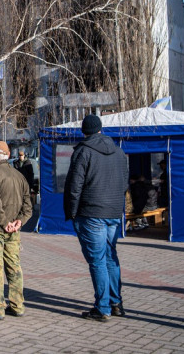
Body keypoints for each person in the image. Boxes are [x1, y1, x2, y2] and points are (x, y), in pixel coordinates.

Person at [63, 114, 129, 321]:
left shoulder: (83, 151)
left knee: (98, 260)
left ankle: (102, 307)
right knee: (110, 257)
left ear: (84, 131)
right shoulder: (119, 153)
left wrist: (72, 212)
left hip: (91, 212)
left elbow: (75, 185)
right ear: (100, 129)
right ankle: (115, 302)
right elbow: (124, 183)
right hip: (112, 212)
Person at [0, 141, 32, 320]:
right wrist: (19, 222)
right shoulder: (19, 176)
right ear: (9, 155)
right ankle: (17, 305)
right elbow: (28, 204)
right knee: (14, 266)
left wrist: (4, 222)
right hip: (12, 229)